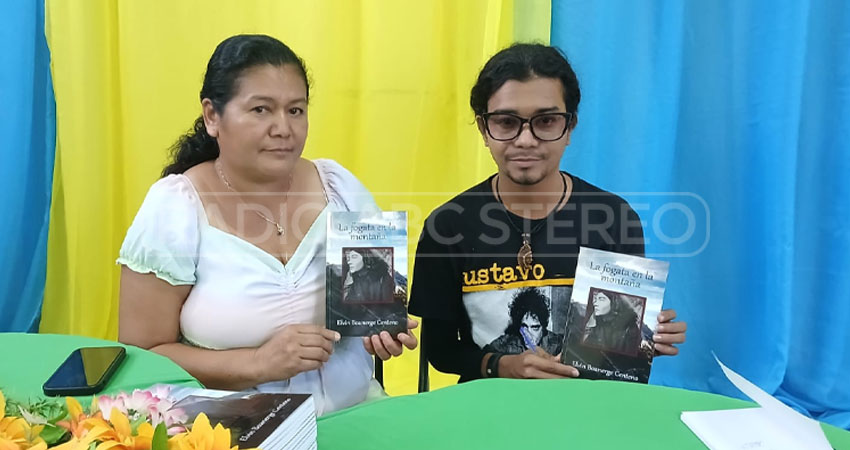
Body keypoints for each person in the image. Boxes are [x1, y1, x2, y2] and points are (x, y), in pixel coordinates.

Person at [117, 34, 416, 415]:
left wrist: (381, 329)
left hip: (354, 413)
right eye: (261, 110)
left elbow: (374, 307)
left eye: (296, 110)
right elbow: (142, 356)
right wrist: (257, 363)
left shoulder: (338, 186)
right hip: (228, 428)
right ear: (212, 116)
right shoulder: (176, 206)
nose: (283, 128)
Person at [408, 43, 687, 381]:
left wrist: (638, 341)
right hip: (485, 408)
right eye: (506, 122)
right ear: (483, 129)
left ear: (570, 128)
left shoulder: (614, 218)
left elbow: (616, 355)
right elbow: (440, 350)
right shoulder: (447, 225)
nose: (526, 140)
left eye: (546, 121)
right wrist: (501, 365)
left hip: (588, 407)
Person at [485, 287, 564, 355]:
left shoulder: (556, 345)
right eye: (524, 327)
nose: (528, 335)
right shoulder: (508, 344)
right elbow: (483, 356)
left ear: (543, 328)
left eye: (535, 328)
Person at [581, 290, 642, 355]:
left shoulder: (630, 328)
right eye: (595, 299)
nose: (595, 303)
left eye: (601, 299)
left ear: (614, 302)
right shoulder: (597, 322)